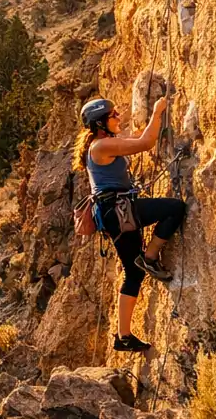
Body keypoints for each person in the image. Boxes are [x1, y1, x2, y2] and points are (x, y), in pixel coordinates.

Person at [75, 96, 187, 353]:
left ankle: (124, 336)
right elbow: (146, 143)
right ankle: (150, 256)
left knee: (133, 273)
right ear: (101, 123)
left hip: (115, 212)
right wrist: (158, 111)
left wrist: (147, 123)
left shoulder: (103, 143)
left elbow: (137, 136)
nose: (118, 117)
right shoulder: (101, 147)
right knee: (175, 208)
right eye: (113, 115)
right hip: (118, 211)